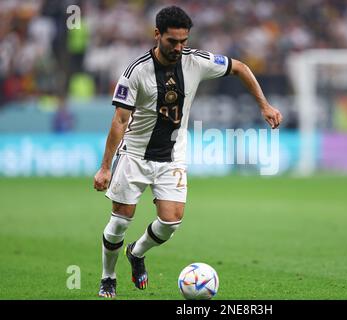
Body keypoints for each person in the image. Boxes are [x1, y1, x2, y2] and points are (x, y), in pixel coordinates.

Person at [93, 5, 283, 298]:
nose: (179, 47)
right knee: (120, 221)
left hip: (172, 156)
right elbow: (119, 121)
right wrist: (105, 167)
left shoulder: (196, 61)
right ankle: (108, 277)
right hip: (135, 155)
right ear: (157, 35)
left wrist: (264, 105)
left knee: (171, 221)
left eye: (184, 41)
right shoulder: (135, 72)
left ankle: (137, 252)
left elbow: (241, 68)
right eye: (173, 41)